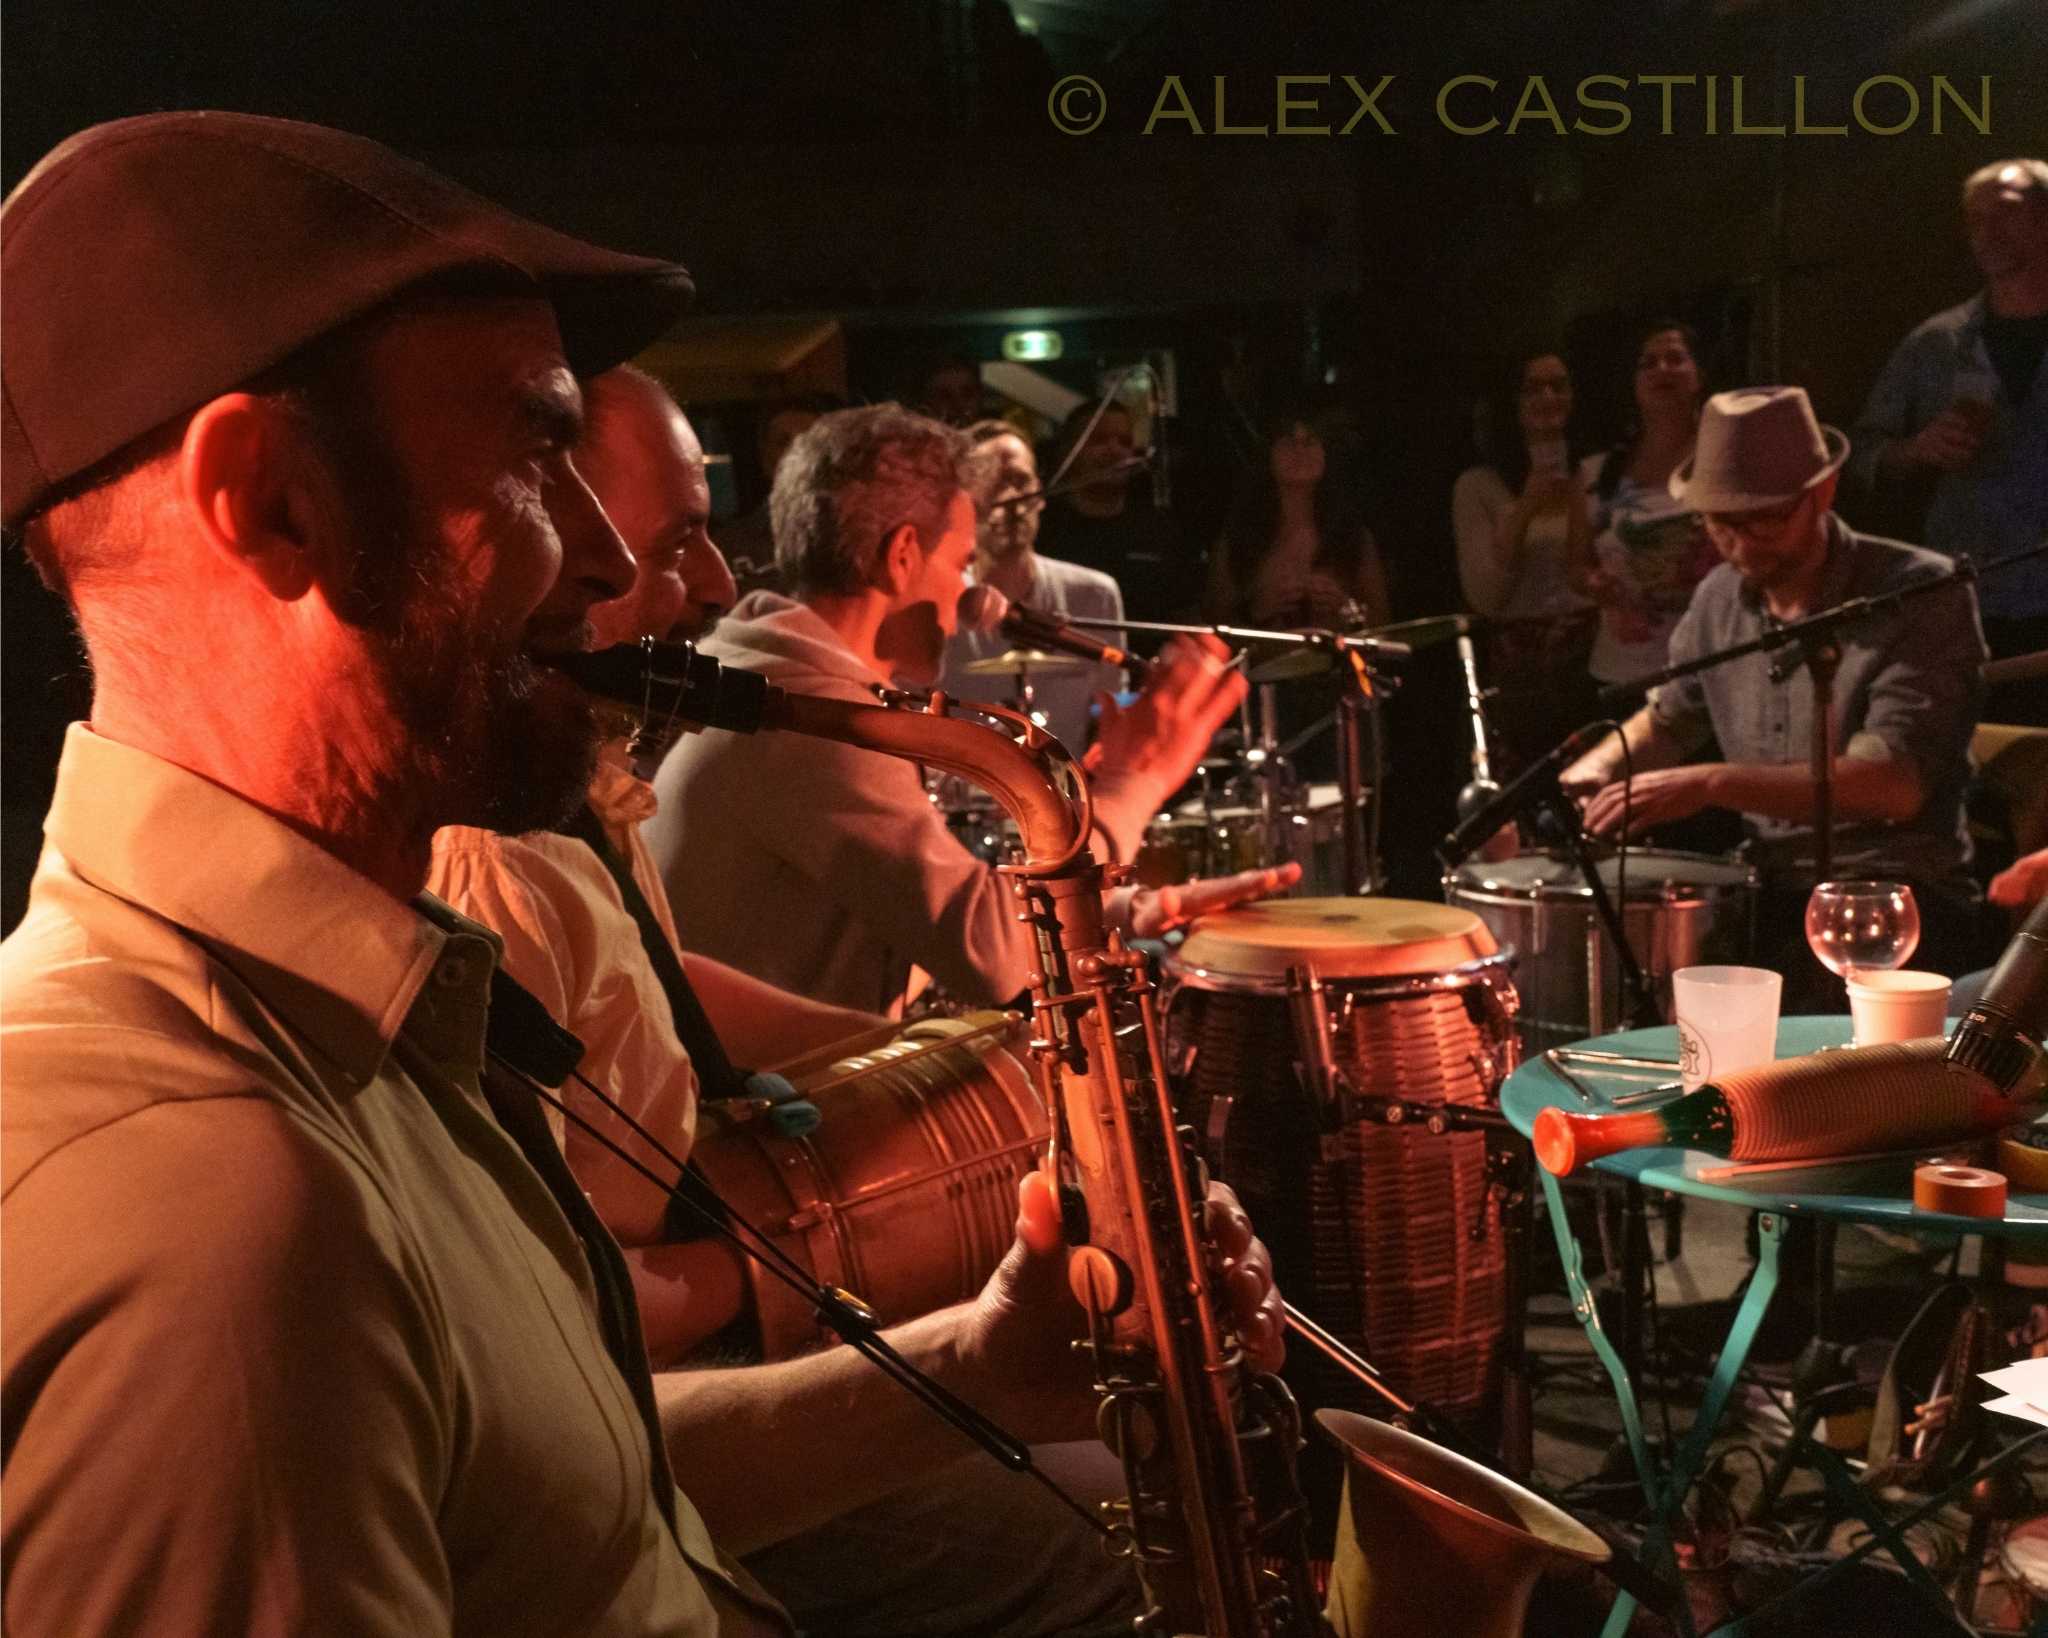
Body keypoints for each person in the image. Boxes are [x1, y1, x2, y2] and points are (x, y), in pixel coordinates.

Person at [0, 113, 1283, 1637]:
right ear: (275, 497)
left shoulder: (361, 1012)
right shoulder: (213, 1214)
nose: (615, 569)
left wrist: (979, 1370)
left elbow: (560, 1491)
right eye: (538, 455)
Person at [648, 403, 1278, 1015]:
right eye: (961, 564)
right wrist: (1133, 781)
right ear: (901, 557)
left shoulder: (784, 682)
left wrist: (1143, 910)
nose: (966, 600)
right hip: (772, 1111)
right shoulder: (810, 719)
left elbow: (934, 920)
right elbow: (992, 959)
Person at [1562, 386, 1988, 1012]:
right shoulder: (1718, 597)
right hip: (1770, 894)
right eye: (1719, 520)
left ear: (1823, 491)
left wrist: (1709, 784)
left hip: (1898, 904)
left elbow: (1892, 785)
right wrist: (1595, 769)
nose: (1740, 542)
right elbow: (1672, 717)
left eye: (1764, 516)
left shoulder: (1919, 591)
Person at [1850, 157, 2048, 722]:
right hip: (1972, 599)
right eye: (1974, 219)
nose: (1985, 232)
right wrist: (1916, 451)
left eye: (2004, 214)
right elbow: (1860, 457)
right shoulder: (1936, 345)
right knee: (1987, 775)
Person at [937, 418, 1127, 753]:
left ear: (1040, 495)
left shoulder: (1094, 595)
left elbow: (1109, 713)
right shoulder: (938, 602)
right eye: (994, 484)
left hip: (1070, 796)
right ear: (963, 503)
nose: (1011, 499)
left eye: (1020, 481)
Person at [1451, 351, 1599, 768]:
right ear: (1511, 403)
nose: (1549, 397)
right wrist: (1526, 507)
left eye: (1559, 385)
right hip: (1522, 671)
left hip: (1592, 655)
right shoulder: (1478, 486)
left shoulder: (1596, 473)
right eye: (1533, 388)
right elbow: (1486, 598)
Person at [1573, 320, 1718, 688]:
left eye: (1674, 359)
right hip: (1623, 671)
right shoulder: (1598, 472)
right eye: (1648, 363)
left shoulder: (1725, 462)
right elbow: (1575, 564)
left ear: (1699, 376)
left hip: (1711, 666)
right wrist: (1602, 589)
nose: (1661, 369)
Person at [1208, 411, 1391, 633]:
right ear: (1268, 456)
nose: (1300, 451)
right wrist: (1256, 611)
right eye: (1288, 443)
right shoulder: (1239, 540)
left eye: (1310, 442)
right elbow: (1215, 627)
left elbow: (1384, 625)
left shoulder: (1351, 537)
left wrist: (1345, 608)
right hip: (1266, 665)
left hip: (1337, 664)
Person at [1034, 397, 1188, 621]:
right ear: (1069, 450)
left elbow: (1181, 608)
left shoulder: (1157, 528)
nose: (1114, 451)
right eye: (1098, 440)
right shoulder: (1042, 527)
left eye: (1125, 442)